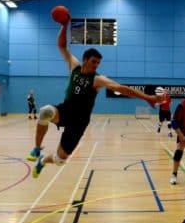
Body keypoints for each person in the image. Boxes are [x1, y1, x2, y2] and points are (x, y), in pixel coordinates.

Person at [28, 18, 161, 178]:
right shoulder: (75, 67)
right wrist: (64, 26)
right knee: (45, 111)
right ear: (85, 60)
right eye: (93, 61)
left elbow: (121, 89)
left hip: (79, 123)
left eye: (98, 63)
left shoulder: (97, 80)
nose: (96, 65)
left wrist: (147, 97)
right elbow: (62, 46)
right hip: (65, 111)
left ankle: (42, 161)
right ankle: (37, 148)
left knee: (60, 160)